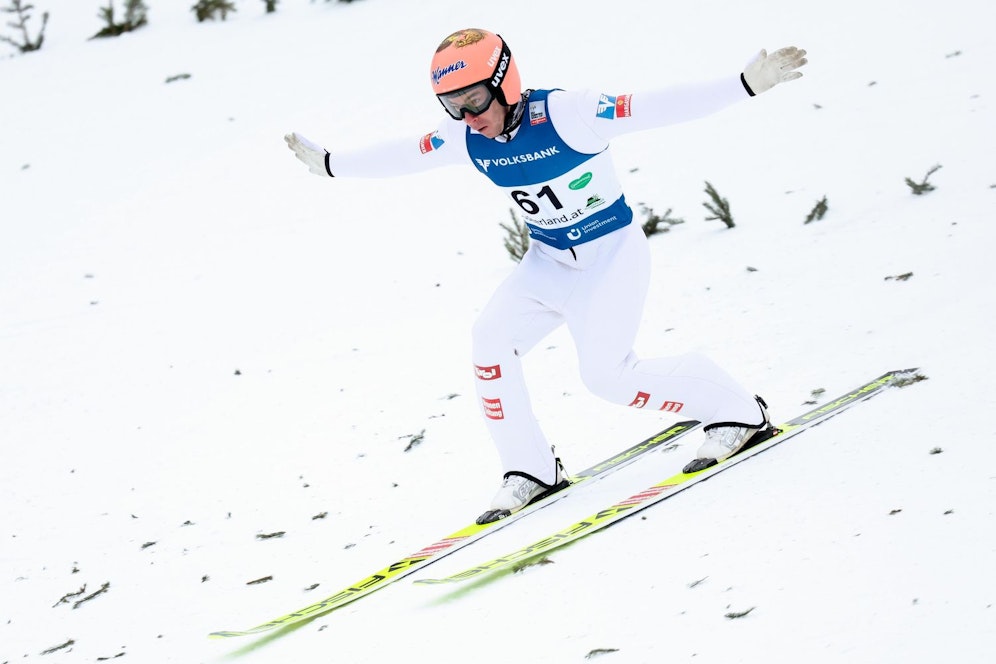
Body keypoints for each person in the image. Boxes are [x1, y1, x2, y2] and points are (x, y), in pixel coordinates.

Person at [285, 28, 807, 524]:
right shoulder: (466, 138)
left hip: (611, 257)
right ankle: (530, 468)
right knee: (489, 343)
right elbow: (404, 155)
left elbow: (654, 107)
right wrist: (332, 164)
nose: (467, 117)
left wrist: (743, 86)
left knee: (608, 378)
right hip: (548, 263)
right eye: (451, 105)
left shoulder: (568, 113)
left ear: (504, 84)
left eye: (474, 100)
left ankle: (736, 410)